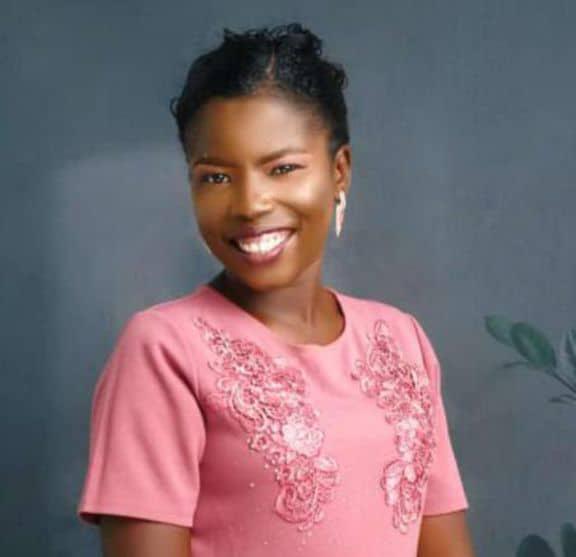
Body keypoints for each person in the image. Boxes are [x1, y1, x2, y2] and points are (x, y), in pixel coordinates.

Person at [76, 22, 475, 557]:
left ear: (339, 171)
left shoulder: (402, 341)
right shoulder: (164, 350)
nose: (250, 204)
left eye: (282, 168)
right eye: (216, 177)